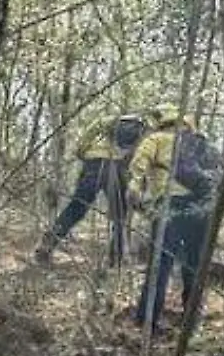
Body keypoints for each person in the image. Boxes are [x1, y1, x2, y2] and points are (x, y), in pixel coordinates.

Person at [127, 104, 220, 332]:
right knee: (195, 264)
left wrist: (135, 189)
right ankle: (193, 319)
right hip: (202, 209)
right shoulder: (200, 142)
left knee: (161, 264)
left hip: (168, 206)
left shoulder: (156, 139)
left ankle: (148, 320)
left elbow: (139, 165)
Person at [35, 113, 146, 266]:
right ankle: (116, 257)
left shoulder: (110, 120)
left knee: (76, 208)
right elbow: (138, 157)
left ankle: (48, 243)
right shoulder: (142, 129)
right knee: (120, 214)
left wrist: (82, 151)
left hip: (93, 163)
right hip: (116, 166)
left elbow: (92, 130)